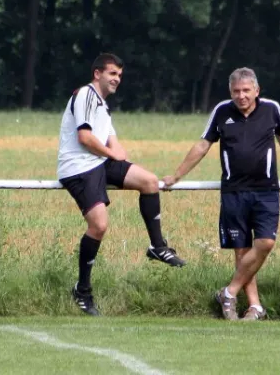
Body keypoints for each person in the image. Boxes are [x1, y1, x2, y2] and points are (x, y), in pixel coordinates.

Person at [163, 67, 280, 321]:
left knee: (265, 243)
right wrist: (176, 176)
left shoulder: (272, 109)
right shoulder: (221, 111)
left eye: (246, 90)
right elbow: (202, 145)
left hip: (266, 190)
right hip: (234, 192)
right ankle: (254, 307)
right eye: (236, 91)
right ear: (230, 92)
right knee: (241, 250)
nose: (241, 96)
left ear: (256, 91)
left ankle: (228, 292)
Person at [57, 53, 186, 316]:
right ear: (97, 73)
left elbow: (114, 144)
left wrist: (121, 159)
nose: (117, 79)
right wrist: (113, 156)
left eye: (119, 75)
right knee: (99, 225)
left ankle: (157, 247)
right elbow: (84, 137)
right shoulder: (85, 95)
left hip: (99, 161)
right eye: (112, 73)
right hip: (80, 166)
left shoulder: (102, 105)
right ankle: (82, 289)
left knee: (149, 181)